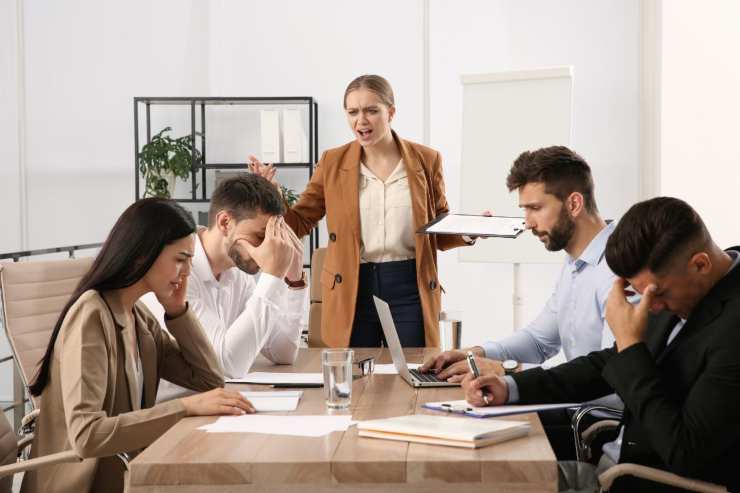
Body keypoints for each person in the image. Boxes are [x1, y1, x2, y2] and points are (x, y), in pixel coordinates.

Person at [462, 197, 740, 492]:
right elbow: (606, 364)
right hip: (608, 467)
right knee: (471, 477)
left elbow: (685, 453)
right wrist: (511, 387)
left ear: (700, 264)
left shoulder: (732, 329)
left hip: (636, 480)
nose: (652, 307)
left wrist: (631, 346)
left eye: (657, 295)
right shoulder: (681, 292)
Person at [21, 198, 254, 493]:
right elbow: (87, 435)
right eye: (180, 259)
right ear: (143, 254)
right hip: (84, 484)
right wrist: (183, 408)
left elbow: (208, 380)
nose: (187, 272)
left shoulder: (138, 315)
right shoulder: (91, 316)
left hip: (129, 473)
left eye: (190, 261)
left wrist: (178, 311)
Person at [420, 146, 620, 458]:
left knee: (469, 447)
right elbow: (539, 339)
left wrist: (509, 373)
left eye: (535, 208)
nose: (527, 223)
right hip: (570, 406)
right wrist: (476, 352)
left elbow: (610, 370)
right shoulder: (576, 263)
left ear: (575, 203)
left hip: (598, 420)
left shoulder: (618, 266)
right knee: (448, 427)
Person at [250, 74, 474, 348]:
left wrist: (468, 233)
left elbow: (437, 228)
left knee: (416, 372)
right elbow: (299, 221)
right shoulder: (333, 162)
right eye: (353, 112)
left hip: (410, 285)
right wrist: (270, 193)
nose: (361, 120)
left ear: (390, 112)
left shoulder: (426, 160)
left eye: (371, 110)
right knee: (354, 376)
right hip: (352, 285)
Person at [141, 174, 307, 400]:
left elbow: (282, 353)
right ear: (225, 223)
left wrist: (294, 282)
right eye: (260, 235)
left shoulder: (237, 273)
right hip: (174, 417)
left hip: (215, 407)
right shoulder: (177, 273)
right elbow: (227, 364)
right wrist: (272, 275)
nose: (268, 246)